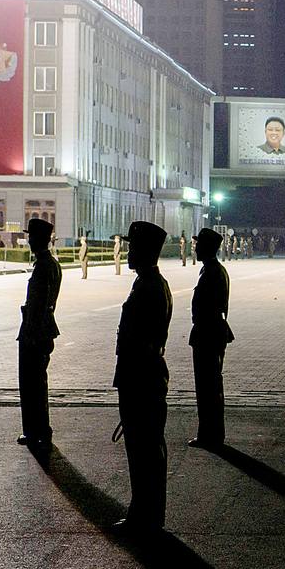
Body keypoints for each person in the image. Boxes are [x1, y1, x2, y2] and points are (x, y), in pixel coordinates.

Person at [113, 221, 173, 535]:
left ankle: (146, 517)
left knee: (144, 449)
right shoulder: (148, 283)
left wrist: (132, 382)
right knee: (144, 449)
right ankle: (146, 513)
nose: (127, 252)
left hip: (142, 378)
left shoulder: (149, 287)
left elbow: (141, 341)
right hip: (142, 376)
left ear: (144, 251)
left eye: (132, 247)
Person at [16, 218, 62, 448]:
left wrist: (30, 333)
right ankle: (39, 429)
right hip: (42, 330)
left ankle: (35, 431)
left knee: (31, 384)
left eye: (31, 237)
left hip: (35, 332)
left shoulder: (44, 266)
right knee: (37, 383)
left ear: (38, 239)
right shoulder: (51, 264)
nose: (29, 241)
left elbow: (40, 303)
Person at [188, 228, 233, 449]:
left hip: (208, 333)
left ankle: (211, 435)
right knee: (209, 385)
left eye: (198, 245)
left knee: (208, 386)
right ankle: (210, 432)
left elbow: (209, 306)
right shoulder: (214, 269)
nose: (194, 247)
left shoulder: (212, 272)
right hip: (212, 332)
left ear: (206, 248)